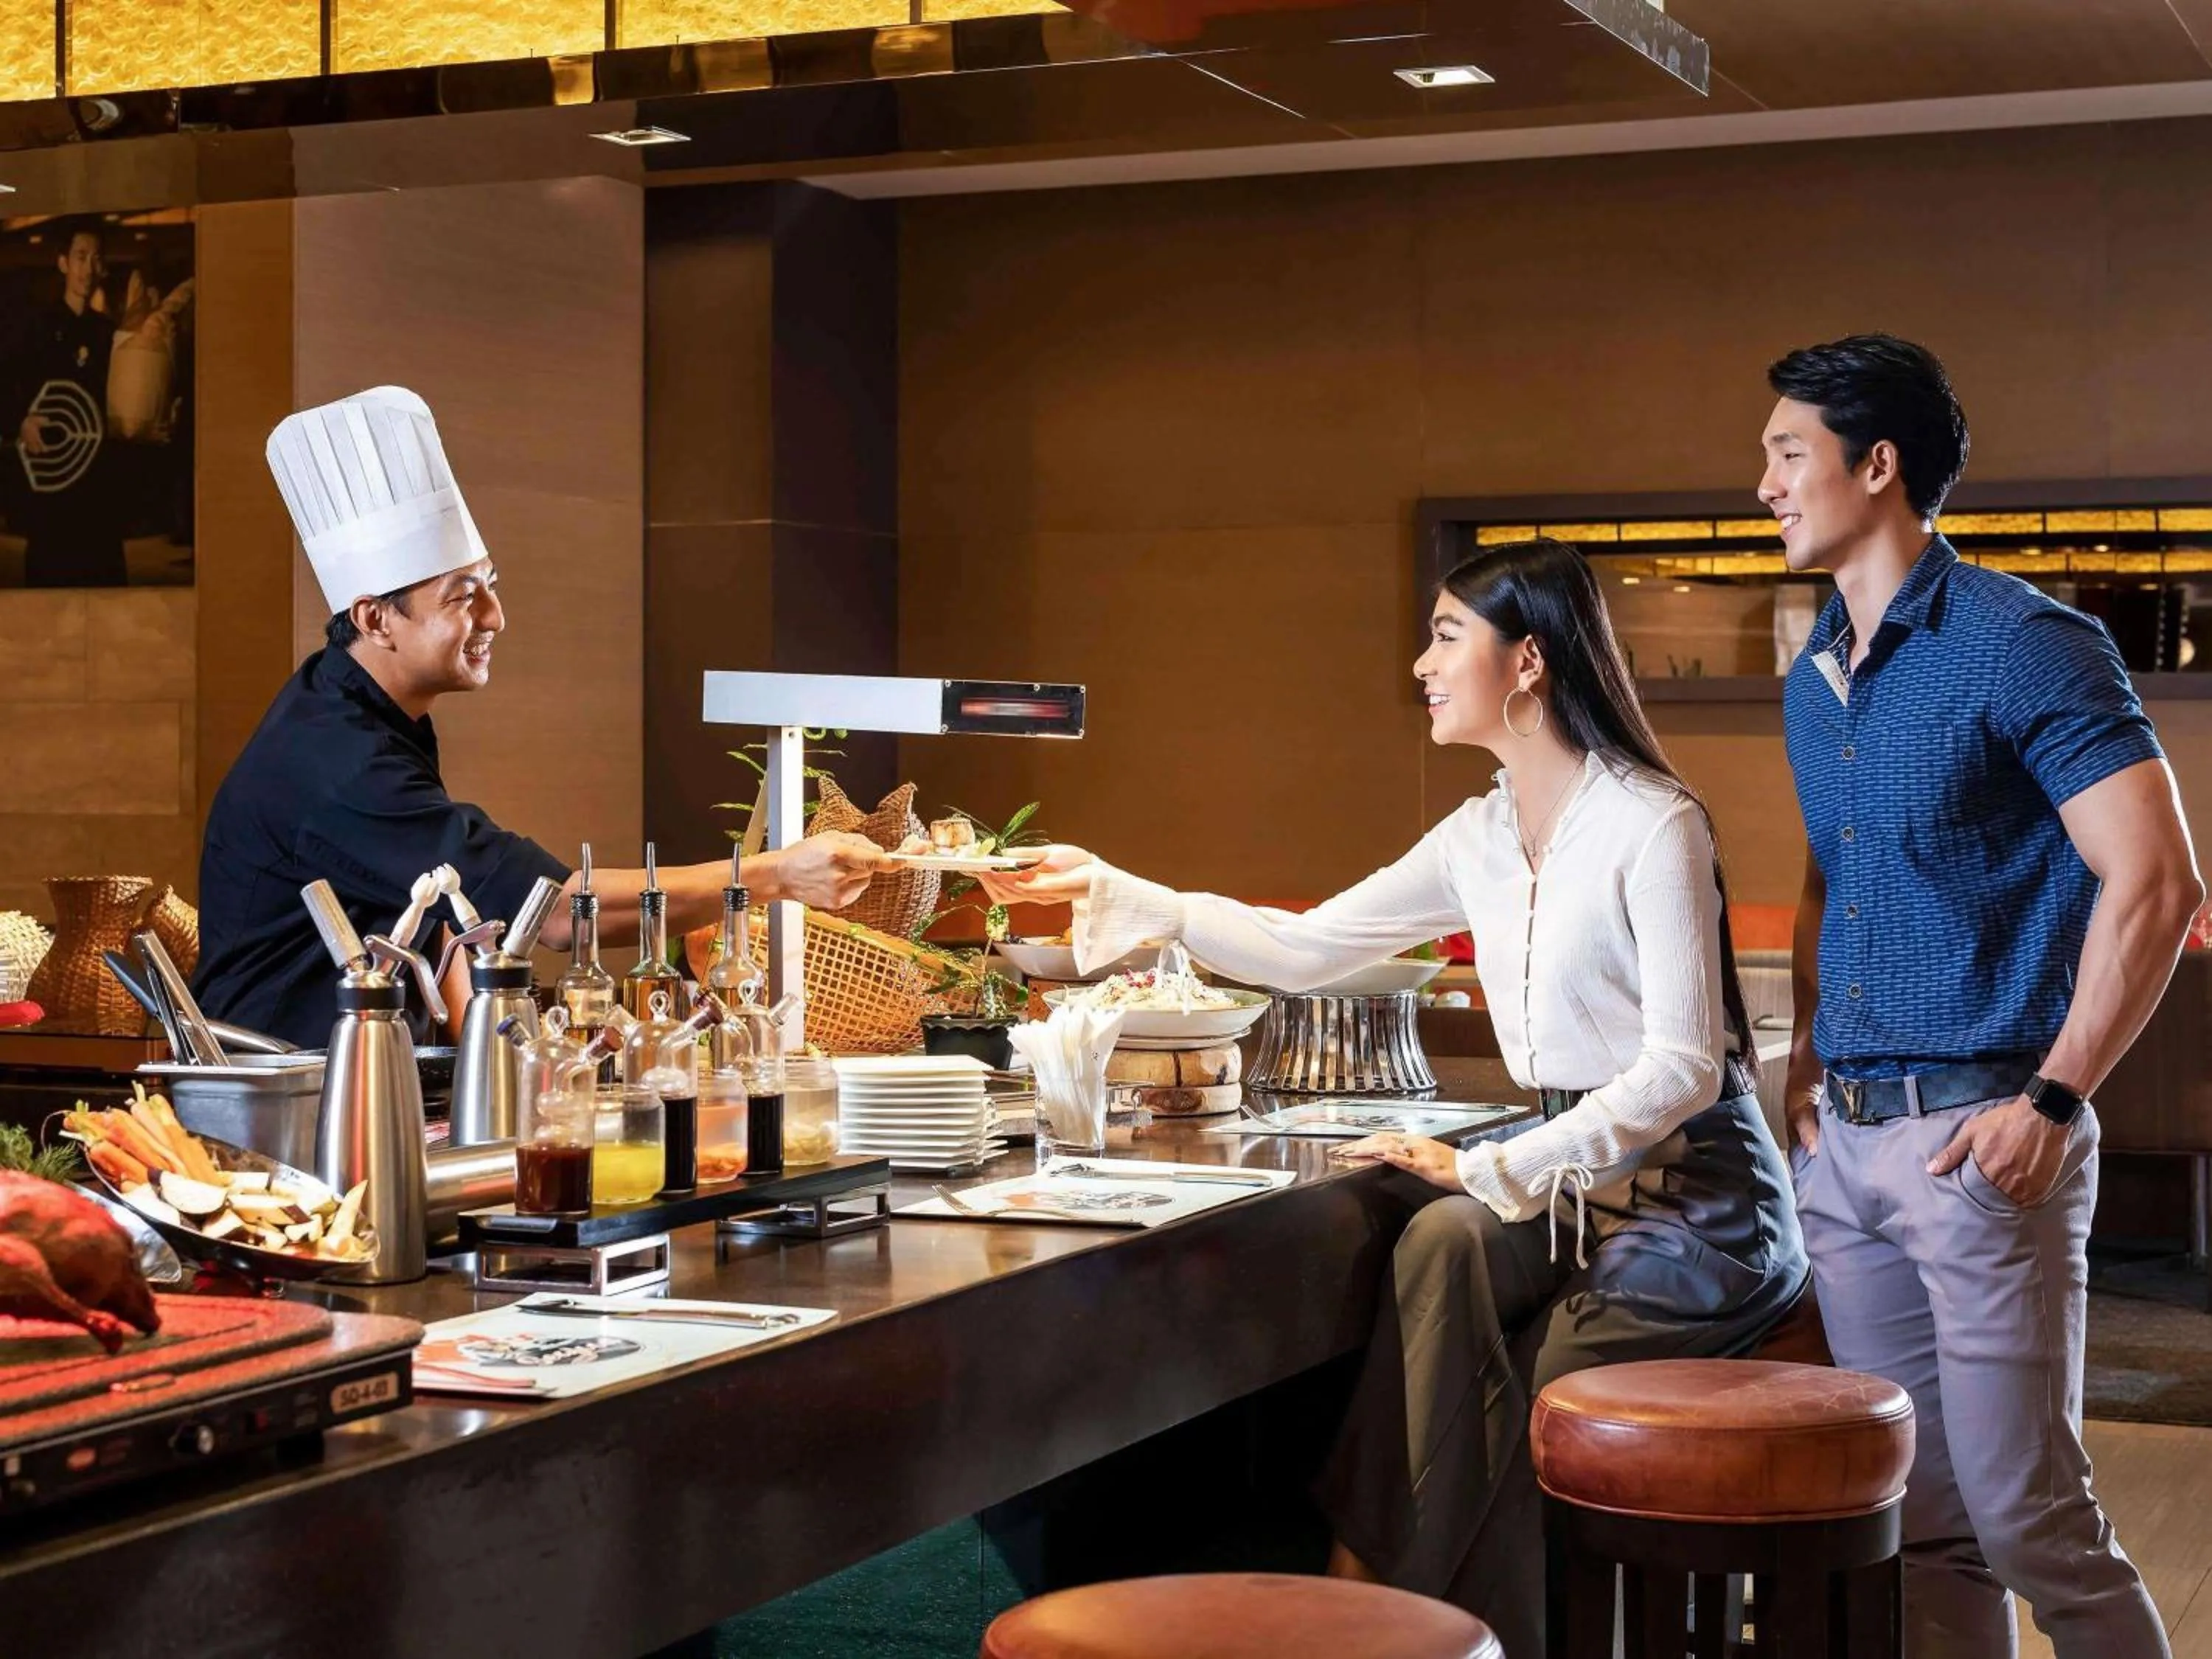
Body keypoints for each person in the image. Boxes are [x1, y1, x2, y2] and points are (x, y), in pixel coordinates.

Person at [982, 538, 1806, 1655]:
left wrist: (1488, 1166)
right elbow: (1307, 945)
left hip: (1698, 1197)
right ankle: (1375, 1604)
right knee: (1437, 1250)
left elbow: (1683, 1069)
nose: (1421, 662)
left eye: (1446, 635)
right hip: (1571, 1182)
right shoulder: (1480, 831)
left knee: (1548, 1383)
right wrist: (1130, 891)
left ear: (1527, 661)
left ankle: (1448, 1623)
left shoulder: (1652, 821)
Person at [1767, 334, 2201, 1658]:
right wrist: (1802, 1065)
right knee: (1923, 1523)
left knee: (2028, 1518)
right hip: (1847, 1146)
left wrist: (2055, 1102)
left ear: (1877, 464)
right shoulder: (1815, 676)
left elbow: (2158, 883)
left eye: (1788, 455)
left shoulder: (2028, 645)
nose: (1766, 488)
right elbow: (1832, 878)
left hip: (1985, 1144)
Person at [195, 386, 886, 1050]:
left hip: (349, 1073)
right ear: (376, 618)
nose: (495, 617)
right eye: (464, 597)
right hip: (283, 1096)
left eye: (490, 586)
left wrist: (503, 1059)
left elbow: (453, 913)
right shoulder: (337, 762)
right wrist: (777, 877)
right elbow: (554, 912)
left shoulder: (365, 713)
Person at [5, 219, 125, 586]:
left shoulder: (109, 333)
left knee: (102, 579)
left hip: (97, 478)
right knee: (51, 575)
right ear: (63, 263)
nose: (88, 269)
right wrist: (19, 422)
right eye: (80, 257)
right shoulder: (35, 326)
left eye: (96, 259)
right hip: (53, 473)